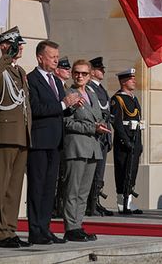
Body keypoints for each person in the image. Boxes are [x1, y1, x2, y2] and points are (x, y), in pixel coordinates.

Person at [27, 40, 80, 245]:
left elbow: (61, 109)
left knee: (50, 188)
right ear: (40, 57)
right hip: (39, 141)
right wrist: (62, 103)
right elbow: (37, 108)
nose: (56, 60)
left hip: (56, 141)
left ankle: (45, 228)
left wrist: (72, 105)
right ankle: (35, 230)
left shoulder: (57, 81)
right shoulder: (31, 79)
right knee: (37, 187)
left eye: (57, 57)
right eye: (52, 57)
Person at [0, 27, 31, 248]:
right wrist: (6, 55)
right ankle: (0, 233)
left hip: (22, 134)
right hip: (5, 133)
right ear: (5, 45)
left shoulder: (20, 71)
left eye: (19, 45)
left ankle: (10, 230)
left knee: (14, 188)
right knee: (1, 187)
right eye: (16, 45)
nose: (20, 48)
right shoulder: (0, 68)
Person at [62, 60, 108, 242]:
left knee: (83, 191)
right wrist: (91, 128)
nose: (79, 76)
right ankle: (70, 227)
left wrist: (101, 125)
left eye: (83, 73)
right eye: (76, 73)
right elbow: (66, 122)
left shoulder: (91, 93)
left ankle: (77, 225)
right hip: (77, 146)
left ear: (90, 76)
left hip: (93, 148)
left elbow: (98, 116)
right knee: (72, 190)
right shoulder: (68, 93)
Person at [110, 68, 145, 214]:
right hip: (124, 141)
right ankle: (121, 203)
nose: (134, 81)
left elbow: (137, 121)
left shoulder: (133, 98)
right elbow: (117, 124)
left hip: (135, 138)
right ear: (123, 81)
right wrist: (126, 141)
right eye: (131, 79)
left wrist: (139, 143)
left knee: (132, 171)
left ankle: (129, 202)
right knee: (123, 171)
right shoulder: (117, 99)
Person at [86, 57, 113, 216]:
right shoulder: (90, 88)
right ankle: (91, 204)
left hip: (104, 133)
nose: (102, 71)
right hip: (96, 133)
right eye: (100, 69)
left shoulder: (100, 88)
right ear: (92, 71)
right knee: (94, 169)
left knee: (100, 170)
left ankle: (96, 201)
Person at [53, 56, 72, 218]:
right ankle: (55, 205)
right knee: (57, 174)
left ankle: (59, 204)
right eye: (65, 68)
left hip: (64, 135)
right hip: (58, 132)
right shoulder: (56, 85)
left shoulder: (64, 86)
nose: (69, 71)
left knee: (62, 174)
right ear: (57, 70)